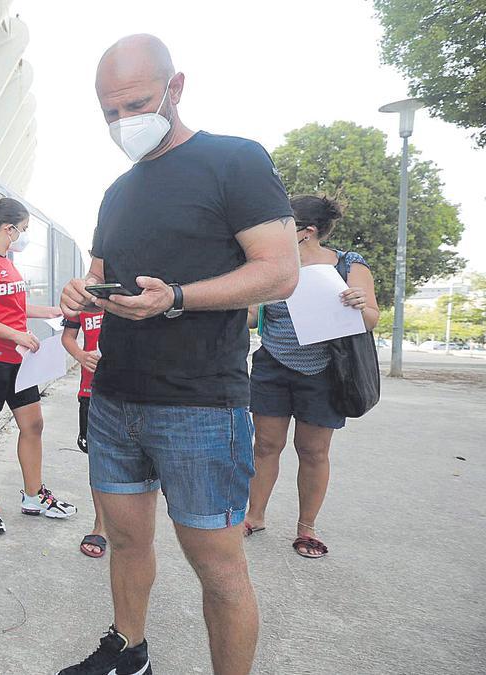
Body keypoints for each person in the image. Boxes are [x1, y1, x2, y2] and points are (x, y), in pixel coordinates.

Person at [57, 35, 300, 675]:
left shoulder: (234, 162)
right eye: (109, 113)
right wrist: (83, 293)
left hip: (201, 405)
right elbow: (103, 275)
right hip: (115, 398)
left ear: (176, 86)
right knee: (127, 540)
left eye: (135, 104)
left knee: (217, 564)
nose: (122, 123)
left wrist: (179, 299)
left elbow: (279, 273)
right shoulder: (117, 191)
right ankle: (127, 650)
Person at [245, 195, 379, 558]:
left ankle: (307, 528)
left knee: (313, 450)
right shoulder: (272, 265)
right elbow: (253, 319)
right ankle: (254, 516)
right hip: (273, 364)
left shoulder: (349, 265)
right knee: (265, 446)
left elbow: (370, 320)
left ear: (307, 231)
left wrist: (359, 304)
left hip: (325, 371)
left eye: (283, 224)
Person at [0, 197, 76, 535]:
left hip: (17, 360)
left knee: (33, 424)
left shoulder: (8, 263)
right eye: (23, 230)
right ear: (9, 229)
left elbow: (14, 307)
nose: (24, 236)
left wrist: (54, 312)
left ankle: (34, 495)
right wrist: (16, 334)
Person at [61, 309, 108, 558]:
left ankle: (132, 527)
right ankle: (101, 526)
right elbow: (68, 336)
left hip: (133, 391)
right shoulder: (84, 297)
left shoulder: (133, 291)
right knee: (97, 461)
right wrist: (80, 355)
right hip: (91, 392)